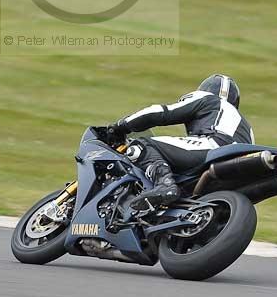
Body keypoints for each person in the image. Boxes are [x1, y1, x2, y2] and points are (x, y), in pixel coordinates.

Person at [107, 74, 255, 211]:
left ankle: (164, 184)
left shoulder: (208, 99)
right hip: (241, 169)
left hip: (213, 147)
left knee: (141, 146)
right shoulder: (247, 127)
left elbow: (160, 113)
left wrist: (120, 126)